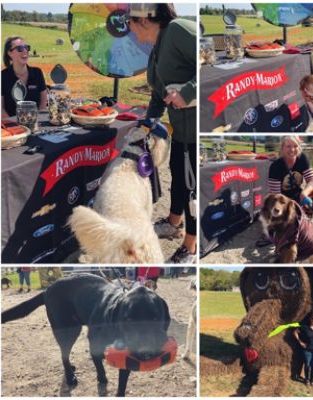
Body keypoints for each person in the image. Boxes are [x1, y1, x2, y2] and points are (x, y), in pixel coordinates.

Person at [127, 4, 197, 264]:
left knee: (191, 187)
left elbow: (209, 63)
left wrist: (187, 93)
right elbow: (158, 95)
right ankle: (173, 221)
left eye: (129, 22)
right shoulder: (156, 48)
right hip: (180, 129)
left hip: (196, 129)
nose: (129, 29)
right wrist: (145, 125)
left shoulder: (178, 30)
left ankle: (190, 247)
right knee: (178, 174)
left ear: (144, 18)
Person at [256, 136, 313, 247]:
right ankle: (269, 232)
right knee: (279, 214)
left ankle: (304, 221)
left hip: (297, 195)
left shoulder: (303, 159)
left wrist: (304, 193)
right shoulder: (275, 166)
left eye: (295, 146)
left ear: (299, 147)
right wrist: (291, 205)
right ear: (283, 148)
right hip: (280, 199)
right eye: (288, 146)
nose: (292, 150)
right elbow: (276, 194)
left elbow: (312, 181)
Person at [2, 36, 47, 118]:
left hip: (36, 123)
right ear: (10, 53)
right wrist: (15, 126)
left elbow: (43, 104)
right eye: (20, 48)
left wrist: (37, 121)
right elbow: (0, 109)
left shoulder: (37, 73)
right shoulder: (2, 77)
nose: (25, 51)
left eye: (26, 47)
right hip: (12, 127)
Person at [294, 312, 313, 387]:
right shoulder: (304, 327)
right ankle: (307, 380)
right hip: (307, 350)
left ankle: (312, 380)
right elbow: (295, 332)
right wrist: (300, 342)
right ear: (310, 319)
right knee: (307, 365)